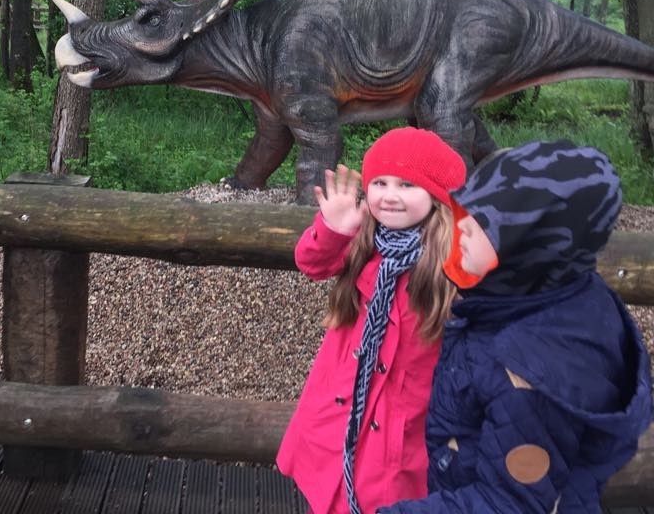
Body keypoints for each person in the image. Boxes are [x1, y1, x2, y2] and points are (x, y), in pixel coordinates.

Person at [379, 140, 653, 513]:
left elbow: (508, 502)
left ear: (529, 247)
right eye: (464, 215)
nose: (460, 231)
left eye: (480, 227)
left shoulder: (528, 373)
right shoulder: (558, 290)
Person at [276, 126, 467, 514]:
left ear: (437, 196)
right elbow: (312, 264)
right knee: (332, 497)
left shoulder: (455, 261)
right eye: (380, 183)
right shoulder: (364, 240)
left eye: (407, 185)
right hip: (339, 416)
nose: (390, 195)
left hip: (403, 433)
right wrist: (333, 230)